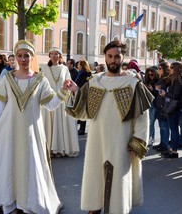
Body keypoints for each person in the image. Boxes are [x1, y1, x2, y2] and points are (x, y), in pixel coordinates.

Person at [0, 40, 68, 214]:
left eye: (27, 56)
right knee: (9, 164)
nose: (23, 59)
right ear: (15, 57)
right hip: (8, 131)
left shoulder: (40, 80)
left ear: (32, 58)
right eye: (20, 56)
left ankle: (28, 202)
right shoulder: (8, 78)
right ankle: (10, 201)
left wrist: (63, 91)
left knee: (29, 165)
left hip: (32, 133)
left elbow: (51, 105)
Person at [64, 40, 153, 214]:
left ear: (123, 57)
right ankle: (94, 208)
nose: (113, 60)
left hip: (122, 142)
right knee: (95, 178)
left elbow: (142, 117)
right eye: (110, 56)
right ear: (104, 57)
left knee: (119, 182)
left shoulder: (132, 84)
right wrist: (75, 91)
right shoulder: (95, 82)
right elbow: (83, 113)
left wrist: (137, 141)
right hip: (97, 142)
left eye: (117, 56)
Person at [41, 47, 79, 157]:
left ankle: (61, 148)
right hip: (49, 99)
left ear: (59, 56)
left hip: (62, 99)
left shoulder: (64, 69)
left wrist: (67, 92)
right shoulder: (44, 68)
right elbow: (41, 84)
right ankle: (50, 149)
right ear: (49, 56)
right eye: (51, 54)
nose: (53, 56)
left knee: (62, 122)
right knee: (49, 122)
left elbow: (69, 83)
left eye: (56, 54)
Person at [159, 61, 182, 158]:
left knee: (174, 129)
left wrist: (165, 94)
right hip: (175, 107)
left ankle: (174, 151)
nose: (169, 69)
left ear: (175, 69)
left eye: (171, 67)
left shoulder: (179, 80)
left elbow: (175, 96)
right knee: (173, 128)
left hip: (176, 107)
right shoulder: (175, 79)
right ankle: (171, 149)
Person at [153, 61, 170, 153]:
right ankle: (162, 143)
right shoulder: (160, 78)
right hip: (159, 103)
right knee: (161, 126)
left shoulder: (167, 79)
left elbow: (167, 90)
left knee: (165, 126)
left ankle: (165, 144)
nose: (158, 70)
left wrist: (160, 88)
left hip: (164, 104)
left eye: (160, 68)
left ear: (164, 69)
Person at [75, 58, 92, 135]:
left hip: (83, 94)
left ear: (81, 65)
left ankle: (82, 129)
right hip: (80, 93)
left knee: (83, 111)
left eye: (78, 64)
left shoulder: (85, 73)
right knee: (81, 110)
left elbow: (82, 84)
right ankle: (81, 128)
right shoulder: (82, 72)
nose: (77, 66)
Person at [144, 66, 159, 146]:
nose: (151, 77)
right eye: (149, 75)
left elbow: (159, 95)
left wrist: (153, 90)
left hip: (155, 104)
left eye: (152, 75)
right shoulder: (146, 82)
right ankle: (148, 137)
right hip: (148, 104)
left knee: (151, 122)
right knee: (148, 122)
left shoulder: (158, 81)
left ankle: (151, 138)